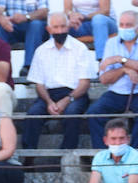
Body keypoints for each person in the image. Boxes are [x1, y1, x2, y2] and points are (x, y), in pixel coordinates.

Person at [86, 7, 138, 149]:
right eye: (122, 25)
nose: (124, 28)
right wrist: (125, 69)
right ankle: (103, 155)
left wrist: (120, 59)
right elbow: (104, 79)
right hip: (117, 92)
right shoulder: (111, 43)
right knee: (94, 113)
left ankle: (134, 154)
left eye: (129, 25)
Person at [21, 10, 93, 150]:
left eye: (63, 26)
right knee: (33, 115)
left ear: (68, 27)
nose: (60, 31)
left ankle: (67, 153)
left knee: (72, 113)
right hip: (48, 95)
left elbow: (84, 83)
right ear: (49, 29)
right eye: (56, 27)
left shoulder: (80, 49)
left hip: (75, 95)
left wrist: (67, 100)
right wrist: (49, 102)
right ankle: (28, 156)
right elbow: (39, 84)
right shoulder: (41, 51)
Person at [82, 117, 138, 183]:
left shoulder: (135, 156)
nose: (118, 143)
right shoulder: (100, 157)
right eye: (113, 139)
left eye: (121, 138)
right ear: (105, 140)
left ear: (128, 139)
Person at [0, 0, 49, 75]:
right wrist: (2, 19)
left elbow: (44, 11)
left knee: (36, 24)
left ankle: (29, 67)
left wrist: (26, 17)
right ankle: (3, 66)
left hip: (32, 27)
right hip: (12, 27)